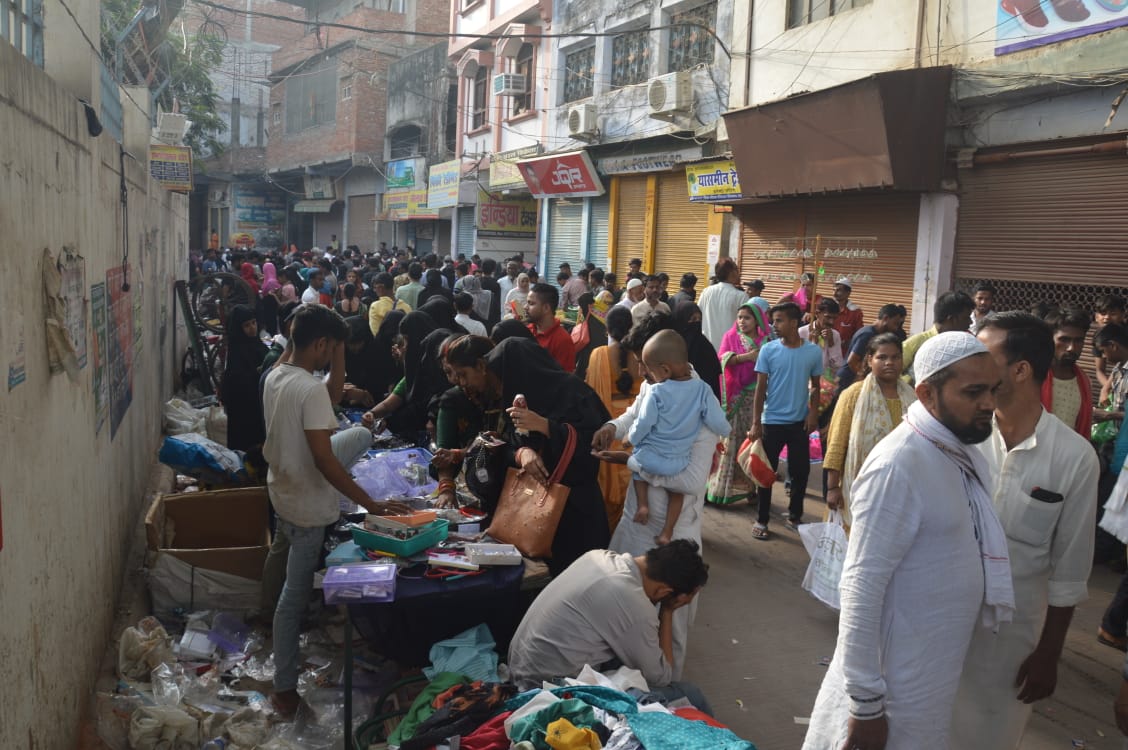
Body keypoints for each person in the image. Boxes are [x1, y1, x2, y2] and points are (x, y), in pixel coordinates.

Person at [803, 331, 1013, 750]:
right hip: (891, 687)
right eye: (973, 392)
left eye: (993, 390)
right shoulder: (899, 464)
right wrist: (866, 705)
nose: (989, 403)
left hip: (928, 676)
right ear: (927, 394)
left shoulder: (957, 455)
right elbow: (861, 587)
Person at [948, 312, 1098, 749]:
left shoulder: (1074, 459)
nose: (972, 368)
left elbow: (1070, 573)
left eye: (984, 357)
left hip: (1010, 646)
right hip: (940, 625)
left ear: (1020, 370)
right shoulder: (958, 437)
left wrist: (1049, 654)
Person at [262, 305, 411, 717]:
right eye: (331, 349)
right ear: (321, 344)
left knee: (359, 434)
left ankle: (281, 662)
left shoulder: (276, 375)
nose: (332, 357)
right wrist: (372, 505)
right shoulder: (308, 389)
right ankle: (284, 688)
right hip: (307, 502)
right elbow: (325, 461)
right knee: (293, 598)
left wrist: (338, 342)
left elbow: (329, 396)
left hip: (282, 489)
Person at [507, 540, 710, 712]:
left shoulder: (597, 556)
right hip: (547, 690)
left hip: (519, 667)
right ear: (664, 592)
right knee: (691, 694)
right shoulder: (633, 603)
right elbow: (661, 677)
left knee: (629, 662)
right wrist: (667, 611)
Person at [481, 337, 612, 573]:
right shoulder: (518, 399)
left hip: (575, 511)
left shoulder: (574, 392)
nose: (499, 386)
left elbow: (594, 447)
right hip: (532, 511)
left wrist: (547, 427)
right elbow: (509, 445)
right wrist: (522, 453)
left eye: (501, 378)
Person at [623, 331, 729, 546]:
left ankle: (643, 505)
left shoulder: (656, 392)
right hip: (678, 463)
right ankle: (667, 531)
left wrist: (630, 438)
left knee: (636, 472)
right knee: (677, 494)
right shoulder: (703, 390)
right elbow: (719, 423)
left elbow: (643, 424)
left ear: (665, 370)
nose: (646, 374)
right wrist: (726, 432)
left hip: (648, 459)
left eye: (650, 369)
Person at [823, 333, 916, 529]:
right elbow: (837, 443)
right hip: (860, 486)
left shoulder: (912, 398)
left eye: (895, 357)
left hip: (900, 488)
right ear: (869, 360)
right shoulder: (854, 395)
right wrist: (832, 488)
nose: (889, 362)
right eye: (882, 357)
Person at [748, 302, 824, 539]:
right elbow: (760, 388)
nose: (774, 325)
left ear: (794, 323)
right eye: (773, 321)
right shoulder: (768, 350)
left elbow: (816, 386)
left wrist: (813, 413)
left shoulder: (813, 352)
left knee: (800, 471)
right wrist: (756, 422)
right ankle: (762, 519)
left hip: (799, 422)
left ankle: (795, 516)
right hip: (771, 421)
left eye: (779, 320)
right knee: (766, 473)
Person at [705, 300, 772, 507]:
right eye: (740, 317)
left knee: (750, 442)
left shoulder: (765, 341)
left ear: (757, 320)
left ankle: (750, 488)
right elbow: (722, 360)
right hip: (735, 395)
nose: (742, 321)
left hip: (755, 397)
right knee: (731, 441)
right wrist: (747, 357)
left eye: (747, 318)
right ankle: (721, 490)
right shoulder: (731, 336)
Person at [585, 306, 643, 530]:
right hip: (636, 425)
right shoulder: (641, 355)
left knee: (608, 489)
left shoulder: (599, 355)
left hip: (610, 426)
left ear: (607, 329)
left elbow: (592, 395)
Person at [222, 305, 268, 452]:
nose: (252, 328)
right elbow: (237, 381)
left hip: (258, 404)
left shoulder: (257, 344)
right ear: (238, 329)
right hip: (245, 409)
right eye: (247, 325)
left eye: (254, 322)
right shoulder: (236, 352)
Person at [1041, 306, 1093, 437]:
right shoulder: (1033, 376)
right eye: (1064, 340)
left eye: (1078, 341)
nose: (1071, 348)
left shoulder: (1083, 381)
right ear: (1049, 339)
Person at [902, 290, 975, 383]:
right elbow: (891, 373)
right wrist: (910, 383)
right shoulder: (916, 343)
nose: (970, 322)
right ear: (952, 319)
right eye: (966, 317)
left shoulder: (965, 346)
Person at [836, 303, 907, 391]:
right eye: (895, 324)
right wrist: (861, 378)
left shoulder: (875, 334)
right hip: (848, 380)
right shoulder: (867, 334)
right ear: (885, 318)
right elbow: (852, 361)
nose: (896, 328)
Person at [673, 302, 722, 403]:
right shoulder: (672, 344)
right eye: (692, 319)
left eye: (699, 319)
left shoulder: (704, 344)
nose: (696, 323)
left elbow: (714, 371)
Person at [698, 258, 748, 350]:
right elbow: (747, 324)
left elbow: (699, 314)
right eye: (736, 269)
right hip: (730, 350)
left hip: (706, 348)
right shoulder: (741, 296)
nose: (739, 273)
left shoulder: (706, 292)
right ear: (732, 273)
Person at [526, 282, 575, 373]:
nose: (526, 307)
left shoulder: (562, 340)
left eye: (531, 303)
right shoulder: (527, 331)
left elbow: (564, 378)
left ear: (546, 308)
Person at [1094, 294, 1127, 398]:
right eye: (1103, 313)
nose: (1107, 317)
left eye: (1113, 314)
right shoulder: (1099, 338)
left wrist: (1109, 388)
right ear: (1096, 317)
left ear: (1123, 315)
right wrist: (1108, 388)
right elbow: (1099, 370)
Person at [831, 277, 864, 355]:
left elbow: (859, 335)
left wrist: (846, 342)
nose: (834, 293)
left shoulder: (855, 312)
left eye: (839, 290)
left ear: (848, 293)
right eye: (834, 290)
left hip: (844, 354)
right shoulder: (828, 307)